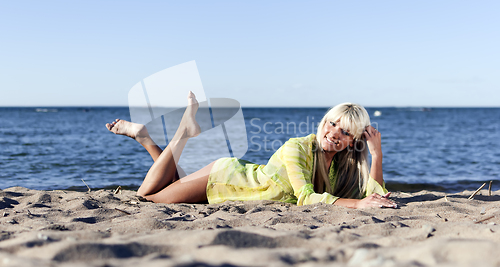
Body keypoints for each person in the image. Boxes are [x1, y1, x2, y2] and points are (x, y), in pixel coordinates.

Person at [106, 92, 397, 209]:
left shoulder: (338, 165)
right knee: (147, 198)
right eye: (332, 123)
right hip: (222, 180)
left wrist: (376, 155)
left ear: (353, 141)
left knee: (166, 184)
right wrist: (358, 206)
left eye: (345, 132)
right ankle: (183, 131)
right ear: (324, 121)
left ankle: (144, 136)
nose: (334, 133)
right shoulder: (298, 148)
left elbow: (373, 194)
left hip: (236, 180)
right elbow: (307, 197)